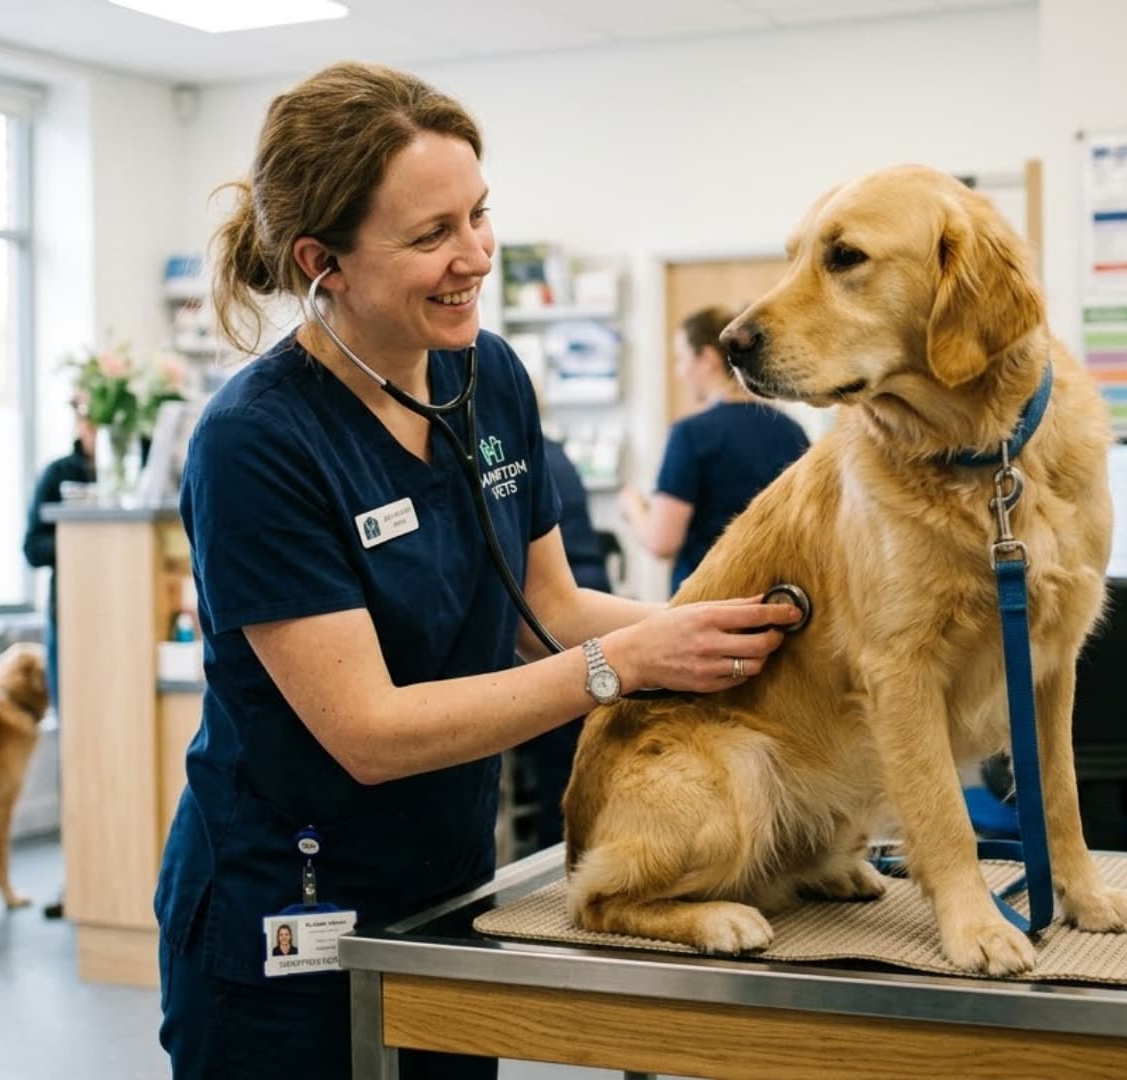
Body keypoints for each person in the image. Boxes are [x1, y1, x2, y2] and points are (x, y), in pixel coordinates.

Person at [153, 62, 799, 1080]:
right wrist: (624, 665)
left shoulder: (486, 375)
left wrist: (733, 632)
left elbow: (545, 608)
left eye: (479, 216)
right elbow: (366, 730)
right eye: (430, 237)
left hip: (448, 887)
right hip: (289, 904)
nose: (475, 258)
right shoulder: (256, 443)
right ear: (325, 262)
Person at [620, 306, 811, 594]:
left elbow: (662, 542)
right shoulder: (790, 431)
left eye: (682, 358)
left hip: (709, 601)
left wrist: (632, 506)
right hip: (780, 600)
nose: (679, 372)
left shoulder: (691, 435)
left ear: (707, 358)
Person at [519, 436, 612, 849]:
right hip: (590, 594)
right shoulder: (558, 456)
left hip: (575, 612)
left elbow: (552, 610)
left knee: (563, 767)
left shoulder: (527, 452)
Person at [21, 393, 96, 714]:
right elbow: (32, 549)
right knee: (72, 715)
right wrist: (79, 546)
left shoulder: (140, 469)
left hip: (117, 614)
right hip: (68, 613)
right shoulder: (57, 474)